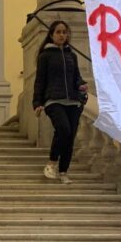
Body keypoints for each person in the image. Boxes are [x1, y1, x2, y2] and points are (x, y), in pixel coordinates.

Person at [32, 20, 88, 184]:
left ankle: (63, 171)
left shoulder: (72, 56)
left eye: (64, 32)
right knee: (63, 129)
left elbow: (76, 77)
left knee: (70, 137)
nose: (62, 35)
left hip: (73, 102)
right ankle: (51, 163)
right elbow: (40, 81)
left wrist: (81, 85)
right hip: (53, 100)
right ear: (51, 35)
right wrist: (37, 103)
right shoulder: (45, 56)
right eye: (58, 32)